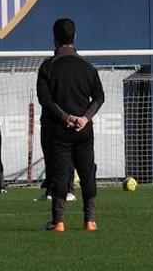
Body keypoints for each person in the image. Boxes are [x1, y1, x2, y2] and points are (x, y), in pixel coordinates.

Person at [35, 16, 104, 232]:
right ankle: (90, 220)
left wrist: (66, 118)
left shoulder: (48, 67)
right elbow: (99, 97)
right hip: (84, 130)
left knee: (60, 173)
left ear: (54, 39)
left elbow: (45, 100)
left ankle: (59, 222)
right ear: (75, 37)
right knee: (86, 173)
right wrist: (84, 118)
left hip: (59, 130)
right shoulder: (88, 67)